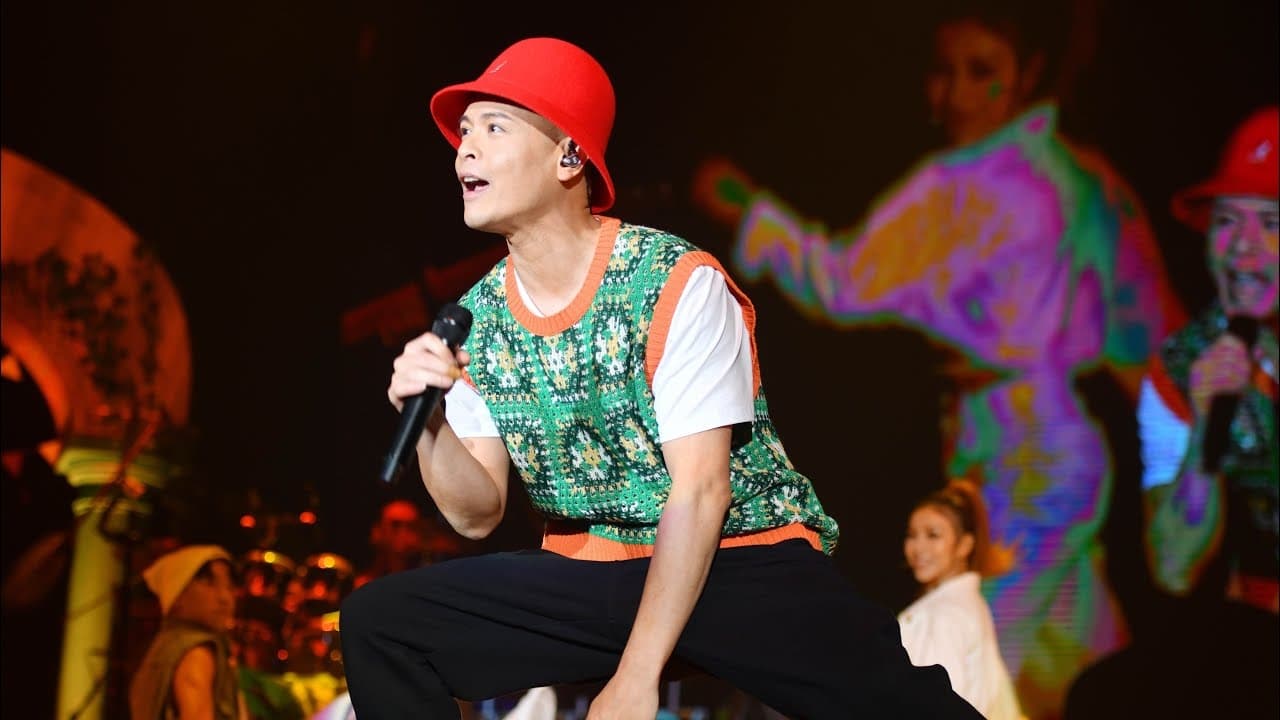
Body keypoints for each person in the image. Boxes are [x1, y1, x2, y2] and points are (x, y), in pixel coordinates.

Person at [339, 36, 983, 719]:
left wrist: (637, 675)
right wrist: (432, 424)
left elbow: (700, 489)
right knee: (383, 624)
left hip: (737, 558)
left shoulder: (672, 281)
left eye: (493, 127)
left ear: (569, 156)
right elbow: (476, 516)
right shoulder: (476, 320)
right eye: (464, 131)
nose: (465, 149)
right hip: (594, 570)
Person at [691, 3, 1184, 714]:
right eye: (943, 72)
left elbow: (841, 282)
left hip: (1028, 455)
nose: (956, 94)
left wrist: (745, 208)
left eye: (981, 72)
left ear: (1029, 75)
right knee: (1066, 657)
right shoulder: (1081, 178)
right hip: (1041, 445)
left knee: (966, 654)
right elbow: (1143, 334)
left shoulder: (971, 186)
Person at [1063, 106, 1279, 720]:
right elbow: (1176, 566)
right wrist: (1208, 426)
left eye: (1270, 222)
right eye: (1227, 221)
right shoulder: (1182, 371)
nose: (1243, 246)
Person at [900, 480, 1022, 719]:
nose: (918, 547)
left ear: (965, 544)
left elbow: (937, 706)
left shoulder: (943, 614)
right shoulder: (967, 605)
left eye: (933, 535)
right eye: (912, 535)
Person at [129, 544, 247, 720]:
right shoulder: (196, 652)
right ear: (177, 594)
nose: (225, 598)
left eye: (229, 586)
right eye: (208, 583)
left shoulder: (161, 648)